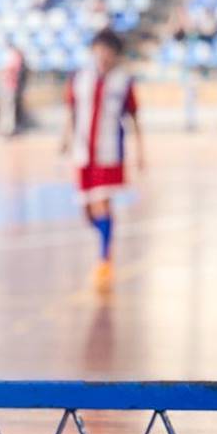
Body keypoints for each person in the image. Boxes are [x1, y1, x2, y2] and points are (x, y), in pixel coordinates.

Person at [60, 29, 145, 290]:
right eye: (100, 48)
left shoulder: (123, 81)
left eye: (110, 50)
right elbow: (72, 112)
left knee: (102, 203)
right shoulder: (79, 78)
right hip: (83, 152)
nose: (104, 55)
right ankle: (105, 236)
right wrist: (65, 141)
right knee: (87, 211)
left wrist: (141, 151)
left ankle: (104, 258)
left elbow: (133, 118)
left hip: (109, 153)